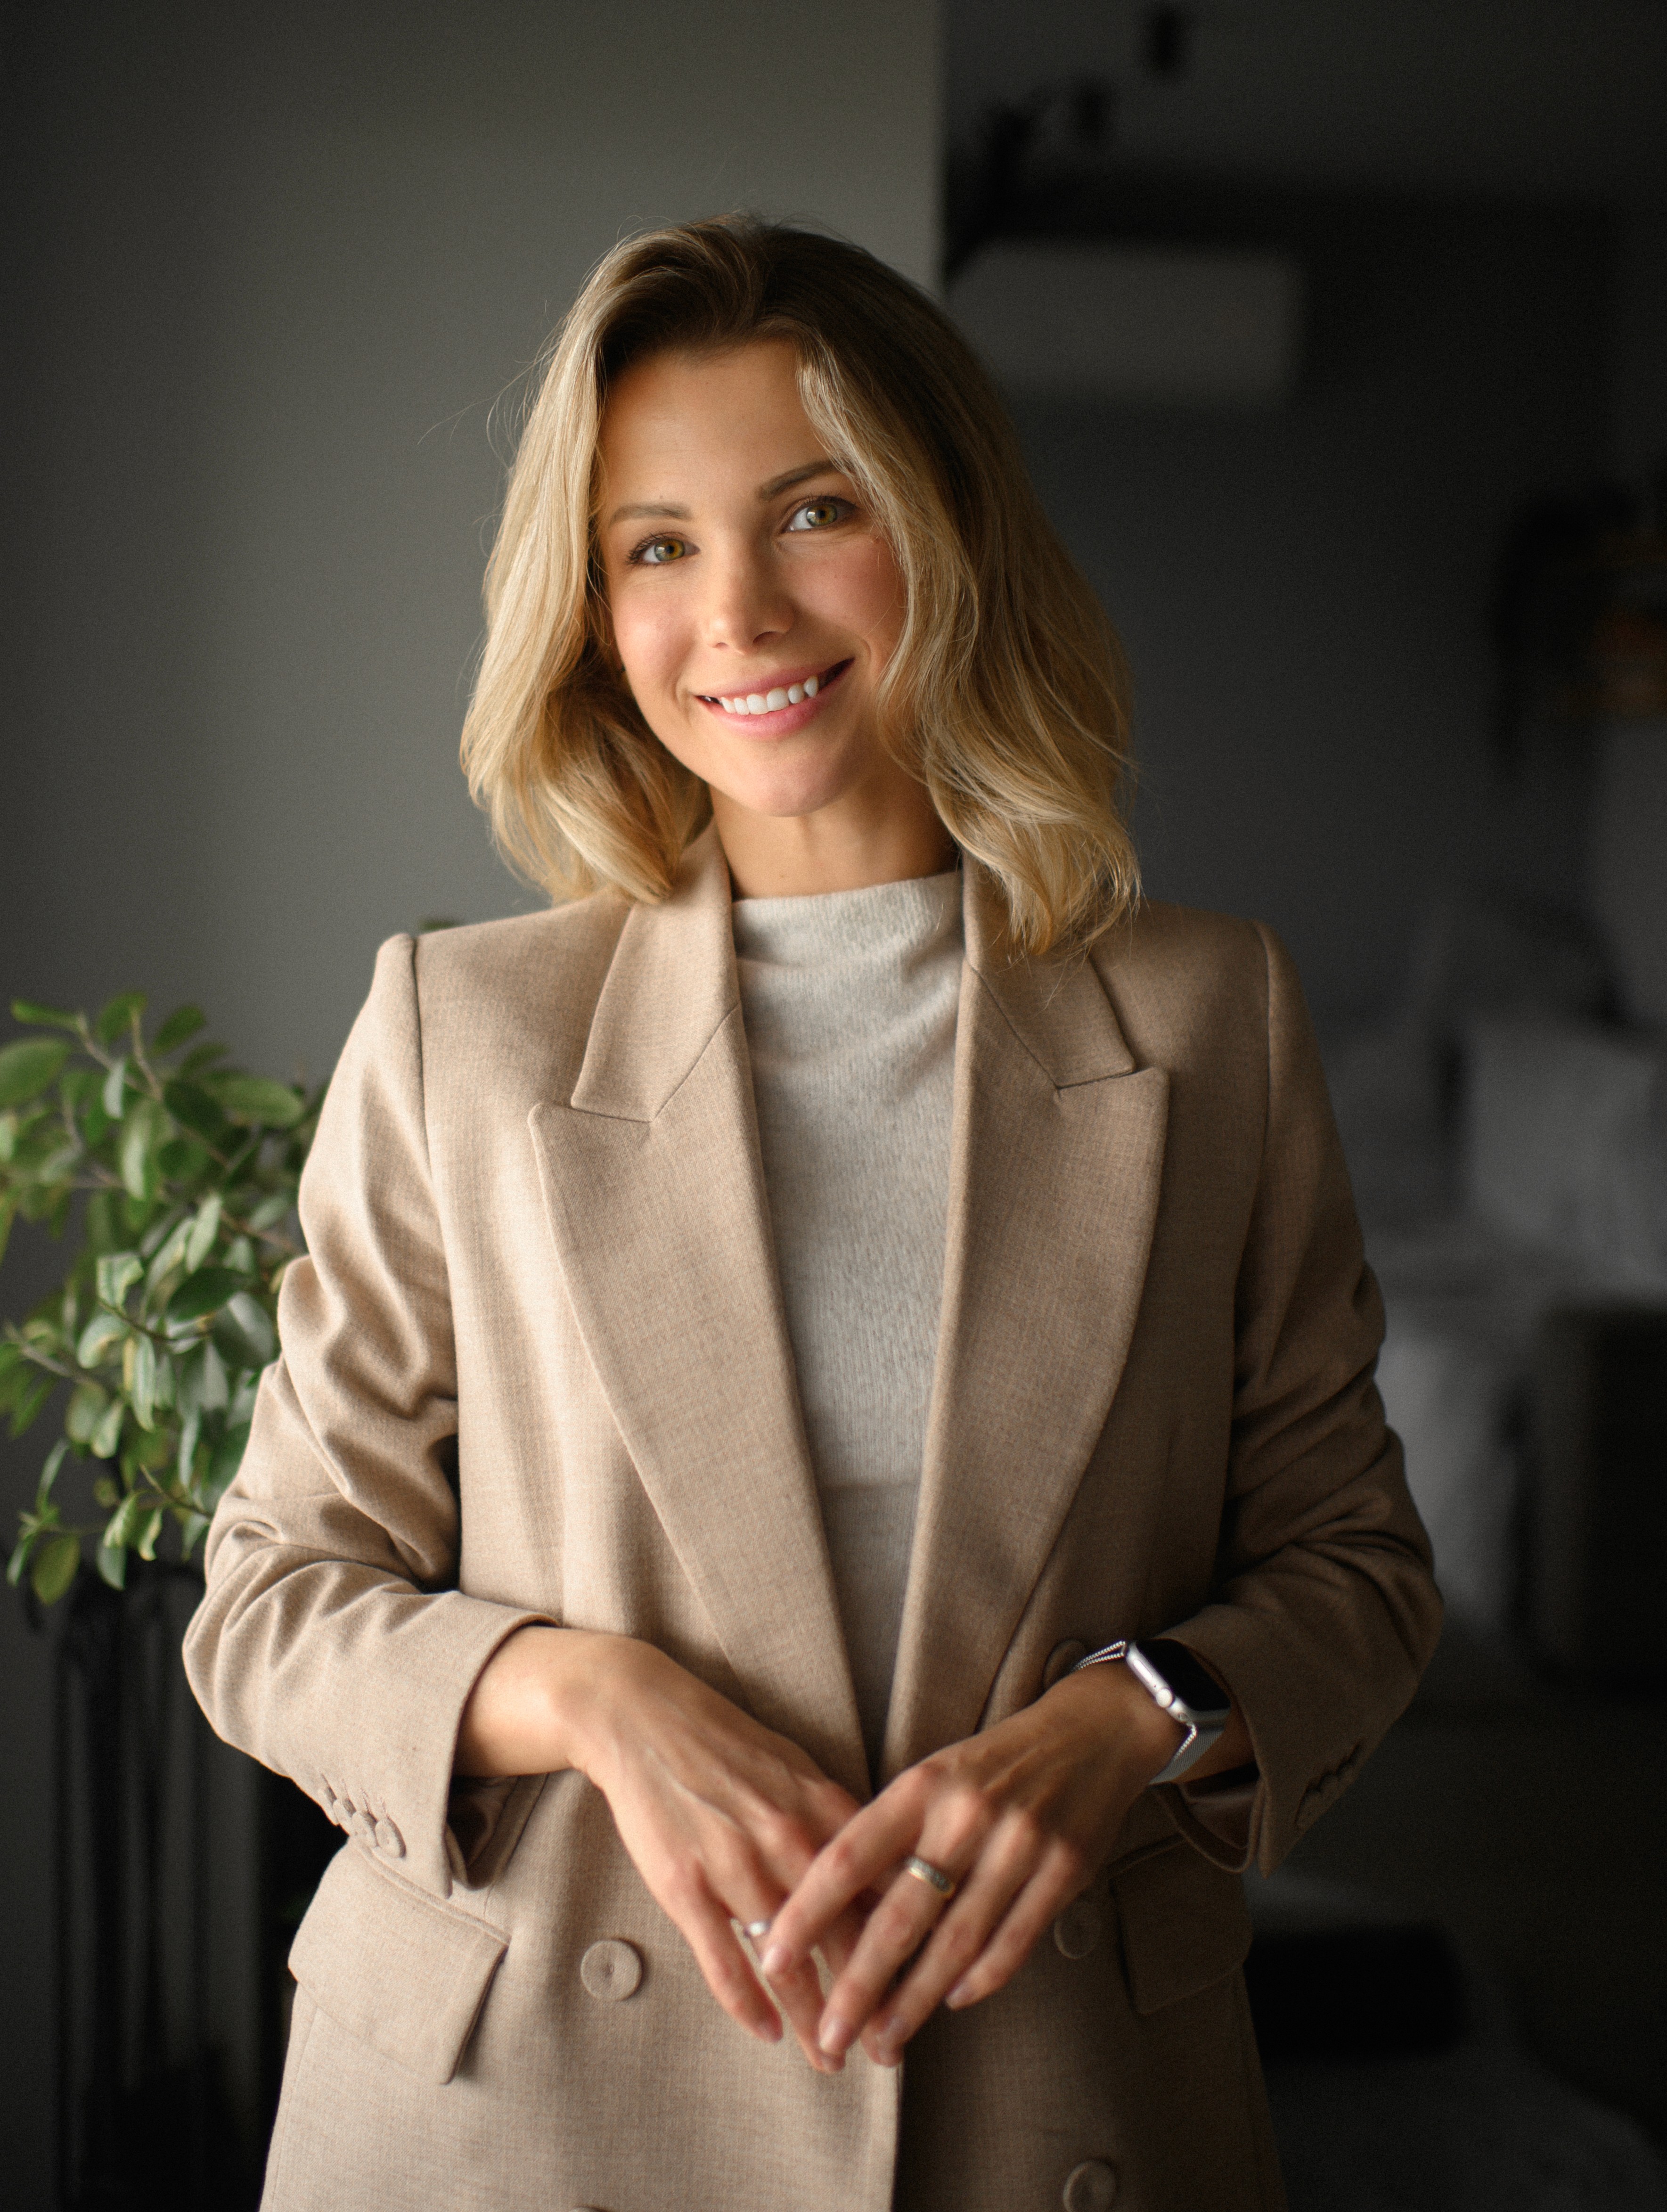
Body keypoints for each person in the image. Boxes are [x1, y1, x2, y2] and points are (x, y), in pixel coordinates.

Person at [184, 216, 1440, 2212]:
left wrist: (1131, 1720)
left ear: (947, 531)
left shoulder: (1214, 1016)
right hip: (524, 2122)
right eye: (654, 545)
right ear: (591, 606)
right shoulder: (461, 1029)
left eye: (815, 509)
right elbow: (270, 1600)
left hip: (1049, 2099)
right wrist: (589, 1694)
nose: (739, 611)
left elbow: (1355, 1570)